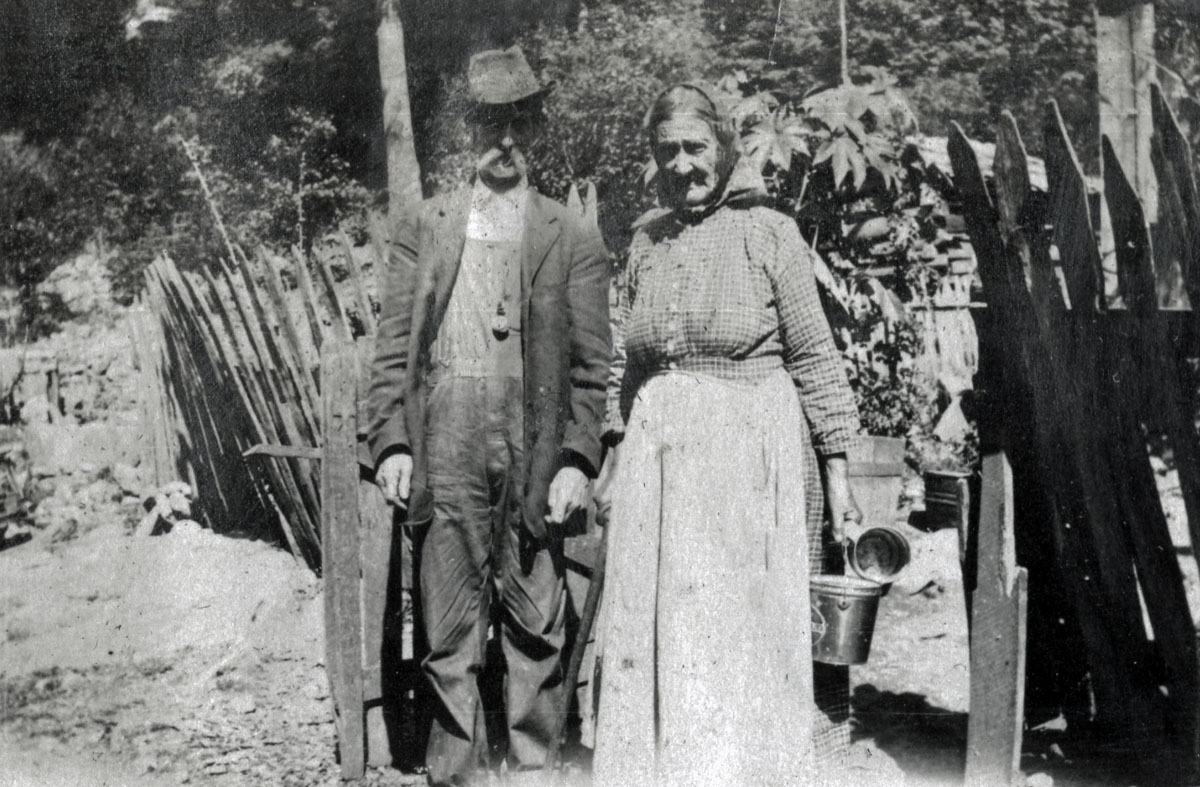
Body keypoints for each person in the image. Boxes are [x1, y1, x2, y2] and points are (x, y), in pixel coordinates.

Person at [591, 82, 863, 786]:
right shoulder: (647, 241)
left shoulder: (768, 231)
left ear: (724, 147)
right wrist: (614, 453)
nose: (682, 164)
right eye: (667, 151)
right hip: (660, 471)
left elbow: (815, 354)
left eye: (695, 147)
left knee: (737, 627)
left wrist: (840, 478)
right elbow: (625, 359)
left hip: (745, 461)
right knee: (672, 628)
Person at [367, 46, 611, 786]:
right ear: (465, 127)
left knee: (537, 619)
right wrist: (392, 443)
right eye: (489, 124)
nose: (505, 142)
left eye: (519, 124)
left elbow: (591, 369)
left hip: (534, 444)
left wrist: (576, 459)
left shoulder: (570, 233)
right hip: (448, 437)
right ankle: (457, 776)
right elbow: (393, 350)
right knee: (448, 626)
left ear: (536, 128)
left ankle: (534, 769)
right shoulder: (428, 225)